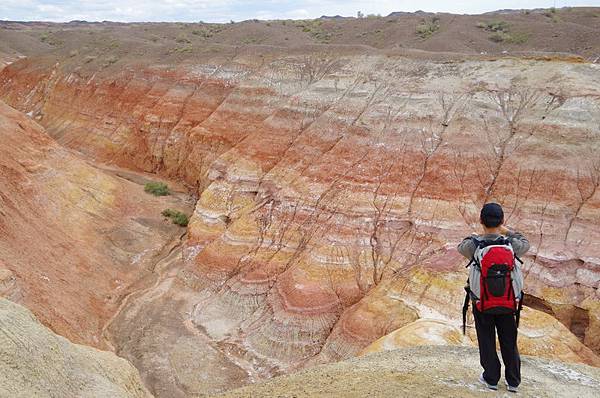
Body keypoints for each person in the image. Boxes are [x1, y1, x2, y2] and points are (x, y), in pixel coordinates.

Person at [457, 202, 529, 393]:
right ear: (502, 221)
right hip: (508, 302)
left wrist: (477, 235)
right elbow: (525, 244)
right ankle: (513, 381)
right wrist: (507, 231)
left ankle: (491, 378)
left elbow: (461, 247)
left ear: (481, 221)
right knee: (509, 339)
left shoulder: (474, 244)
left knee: (487, 339)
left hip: (483, 302)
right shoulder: (511, 244)